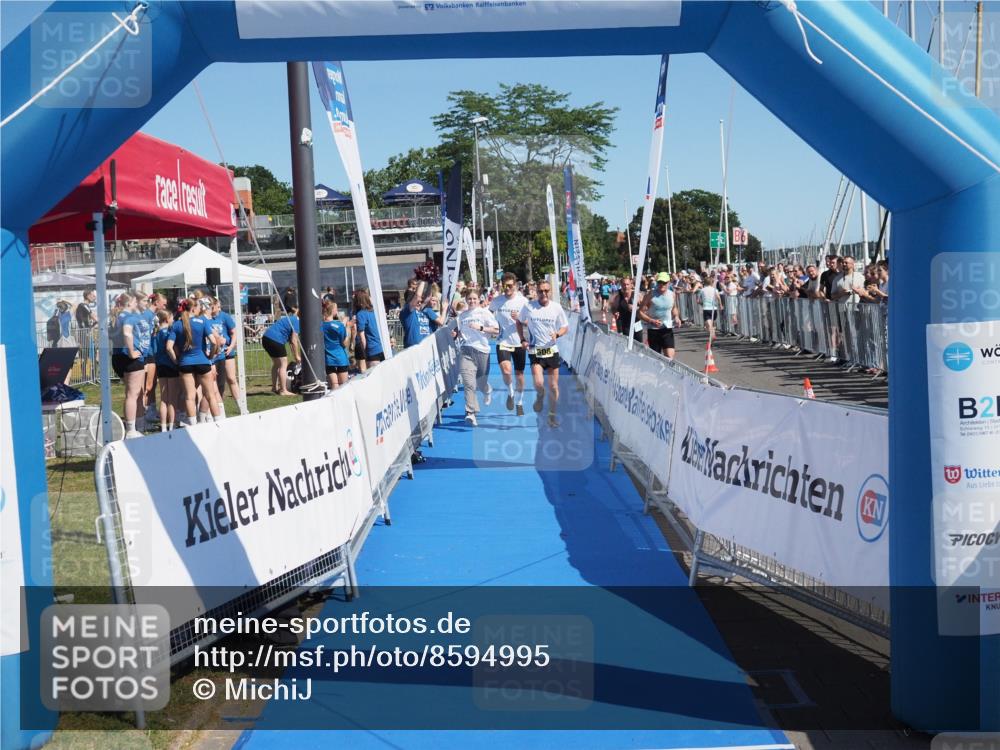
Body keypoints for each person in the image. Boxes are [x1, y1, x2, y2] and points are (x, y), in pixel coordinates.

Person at [516, 280, 569, 427]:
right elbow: (519, 322)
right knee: (539, 383)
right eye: (540, 291)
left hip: (552, 351)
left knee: (553, 386)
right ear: (536, 292)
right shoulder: (529, 306)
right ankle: (540, 395)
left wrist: (557, 334)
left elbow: (565, 327)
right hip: (535, 351)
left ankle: (552, 415)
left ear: (550, 291)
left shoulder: (556, 308)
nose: (543, 293)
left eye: (546, 290)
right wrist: (522, 339)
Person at [166, 299, 223, 427]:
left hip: (185, 363)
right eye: (198, 307)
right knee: (210, 395)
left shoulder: (177, 324)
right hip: (202, 361)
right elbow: (214, 342)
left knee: (189, 397)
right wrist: (211, 356)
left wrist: (176, 361)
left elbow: (169, 347)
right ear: (193, 309)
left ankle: (193, 425)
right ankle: (218, 423)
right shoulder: (202, 321)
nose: (200, 309)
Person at [455, 289, 500, 426]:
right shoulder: (462, 316)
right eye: (469, 299)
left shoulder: (484, 313)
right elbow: (460, 333)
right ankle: (470, 413)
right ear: (466, 300)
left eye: (474, 299)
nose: (472, 301)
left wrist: (480, 327)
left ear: (479, 299)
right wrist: (456, 334)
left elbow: (496, 330)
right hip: (466, 350)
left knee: (481, 383)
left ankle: (487, 390)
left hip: (482, 351)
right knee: (469, 383)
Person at [489, 272, 529, 415]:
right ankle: (510, 392)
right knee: (506, 370)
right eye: (504, 286)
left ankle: (519, 402)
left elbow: (531, 322)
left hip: (519, 342)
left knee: (519, 375)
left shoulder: (523, 301)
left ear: (516, 285)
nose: (507, 288)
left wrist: (520, 319)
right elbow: (487, 314)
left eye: (510, 286)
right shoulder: (497, 301)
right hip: (503, 341)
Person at [109, 294, 145, 438]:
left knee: (130, 393)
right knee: (132, 394)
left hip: (117, 357)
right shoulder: (128, 317)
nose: (137, 303)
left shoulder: (116, 317)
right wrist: (131, 351)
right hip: (129, 357)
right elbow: (127, 333)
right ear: (130, 303)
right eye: (135, 300)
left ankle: (131, 426)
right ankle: (131, 430)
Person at [208, 298, 243, 414]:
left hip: (227, 353)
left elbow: (234, 332)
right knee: (215, 383)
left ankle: (241, 408)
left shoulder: (225, 317)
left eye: (214, 305)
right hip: (213, 355)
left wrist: (232, 346)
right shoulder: (206, 318)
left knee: (231, 379)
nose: (212, 308)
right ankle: (219, 409)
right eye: (210, 306)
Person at [639, 272, 681, 358]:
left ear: (668, 283)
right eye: (660, 282)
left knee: (669, 356)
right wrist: (651, 320)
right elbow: (639, 312)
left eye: (664, 282)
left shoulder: (672, 294)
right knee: (657, 358)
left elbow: (674, 308)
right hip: (653, 330)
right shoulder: (650, 294)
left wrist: (676, 317)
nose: (662, 284)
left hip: (667, 329)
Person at [261, 306, 301, 395]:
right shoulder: (297, 322)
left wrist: (295, 355)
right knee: (283, 364)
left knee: (276, 364)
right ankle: (283, 390)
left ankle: (274, 388)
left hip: (266, 338)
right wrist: (297, 356)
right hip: (276, 339)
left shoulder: (291, 318)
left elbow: (291, 342)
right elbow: (294, 341)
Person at [151, 310, 178, 431]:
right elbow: (170, 348)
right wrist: (176, 361)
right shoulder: (168, 332)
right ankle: (171, 426)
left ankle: (163, 426)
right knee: (171, 398)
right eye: (172, 317)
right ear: (167, 319)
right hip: (170, 365)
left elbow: (154, 351)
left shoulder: (155, 334)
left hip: (160, 366)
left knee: (163, 398)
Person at [400, 281, 440, 348]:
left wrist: (430, 281)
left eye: (420, 302)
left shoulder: (421, 309)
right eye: (417, 302)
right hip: (414, 349)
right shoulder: (407, 311)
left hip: (427, 347)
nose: (419, 303)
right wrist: (423, 279)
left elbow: (427, 297)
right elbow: (418, 297)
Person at [322, 299, 350, 390]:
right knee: (343, 387)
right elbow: (345, 343)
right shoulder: (339, 326)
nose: (337, 311)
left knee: (334, 386)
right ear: (333, 311)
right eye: (336, 309)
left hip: (328, 359)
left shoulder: (319, 325)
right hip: (340, 359)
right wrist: (347, 326)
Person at [353, 288, 384, 369]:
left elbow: (362, 338)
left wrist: (365, 354)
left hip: (372, 350)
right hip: (382, 348)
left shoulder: (360, 314)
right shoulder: (375, 312)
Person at [610, 277, 642, 343]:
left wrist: (636, 308)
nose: (626, 286)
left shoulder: (637, 295)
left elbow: (645, 308)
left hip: (637, 324)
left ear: (631, 285)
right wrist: (615, 312)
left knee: (639, 345)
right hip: (624, 325)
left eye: (627, 284)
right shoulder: (618, 296)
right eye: (624, 284)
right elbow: (613, 307)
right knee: (626, 345)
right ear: (621, 285)